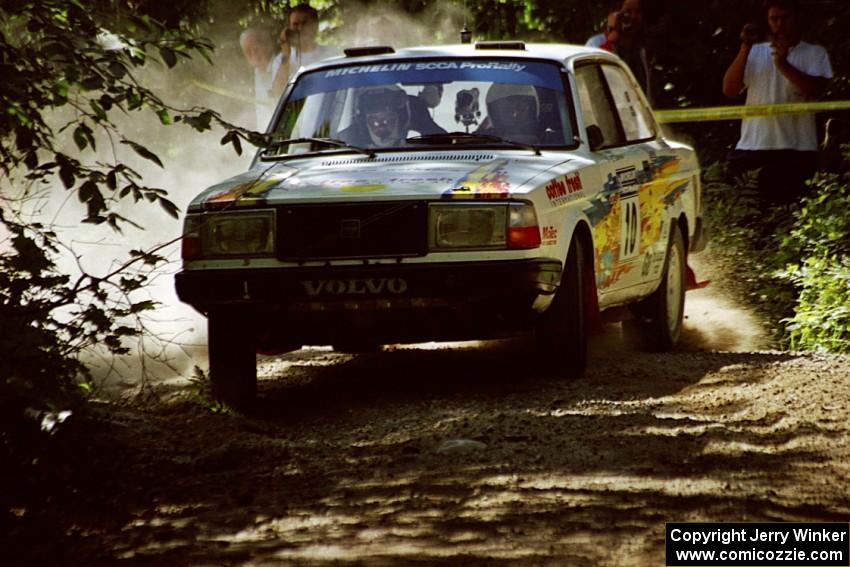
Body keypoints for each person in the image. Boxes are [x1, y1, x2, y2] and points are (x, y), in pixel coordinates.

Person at [722, 0, 833, 204]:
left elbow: (815, 90)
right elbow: (729, 90)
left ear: (797, 18)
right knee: (747, 216)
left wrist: (782, 64)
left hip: (796, 150)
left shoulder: (814, 53)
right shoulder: (755, 52)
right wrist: (746, 46)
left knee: (790, 217)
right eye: (774, 19)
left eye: (785, 18)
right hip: (752, 146)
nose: (780, 24)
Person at [586, 0, 654, 105]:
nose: (633, 17)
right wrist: (612, 36)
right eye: (627, 12)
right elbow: (593, 80)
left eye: (637, 12)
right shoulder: (595, 44)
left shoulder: (641, 50)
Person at [239, 26, 282, 130]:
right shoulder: (256, 72)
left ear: (268, 46)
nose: (253, 55)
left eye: (256, 49)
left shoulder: (280, 65)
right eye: (248, 52)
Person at [285, 4, 336, 74]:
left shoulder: (332, 54)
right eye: (295, 24)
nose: (300, 28)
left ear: (315, 25)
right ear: (289, 28)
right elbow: (278, 85)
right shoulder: (282, 60)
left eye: (304, 23)